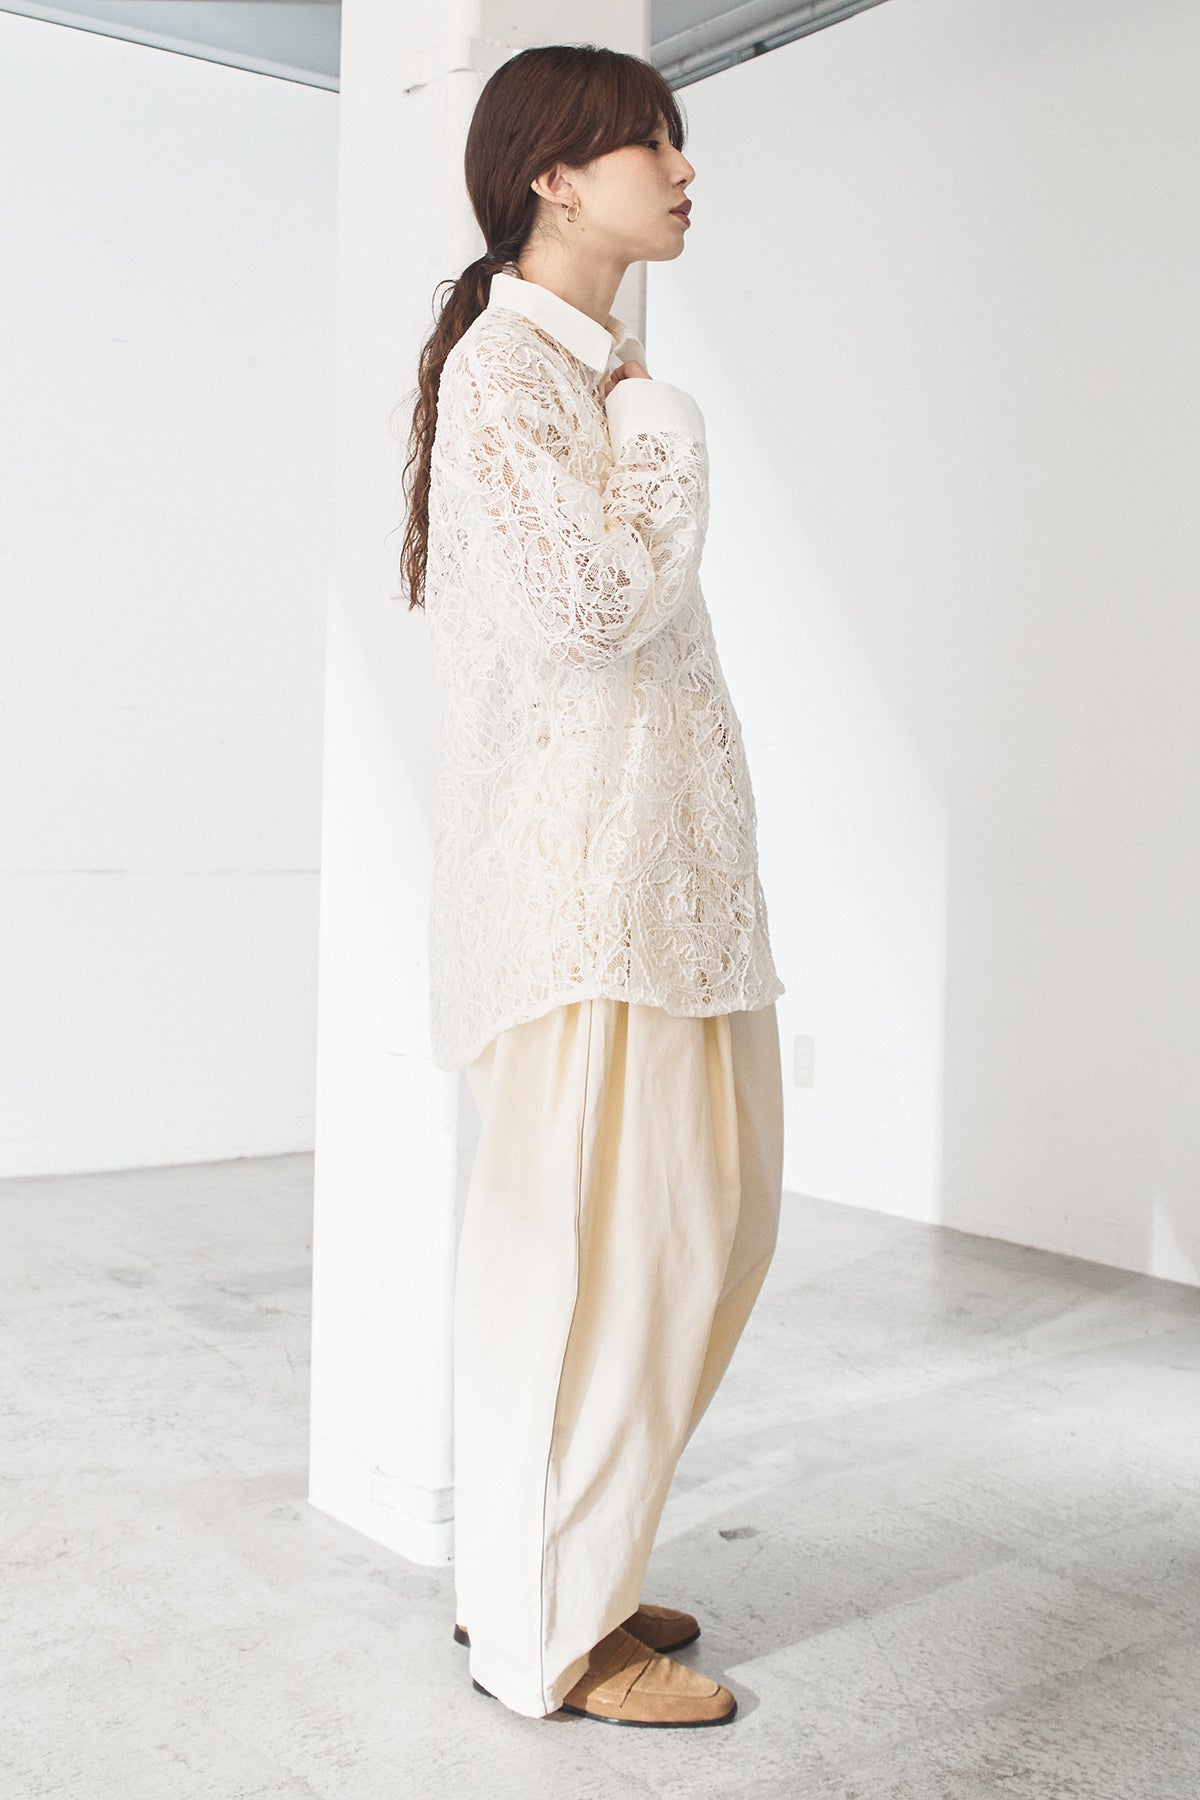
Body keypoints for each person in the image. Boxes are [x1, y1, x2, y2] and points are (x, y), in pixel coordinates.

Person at [399, 42, 786, 1728]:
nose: (685, 172)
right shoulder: (515, 370)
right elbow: (594, 608)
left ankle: (562, 1566)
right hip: (582, 895)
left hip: (657, 885)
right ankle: (548, 1630)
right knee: (589, 1270)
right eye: (653, 144)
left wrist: (633, 405)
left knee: (697, 1234)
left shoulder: (590, 373)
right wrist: (662, 424)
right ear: (555, 176)